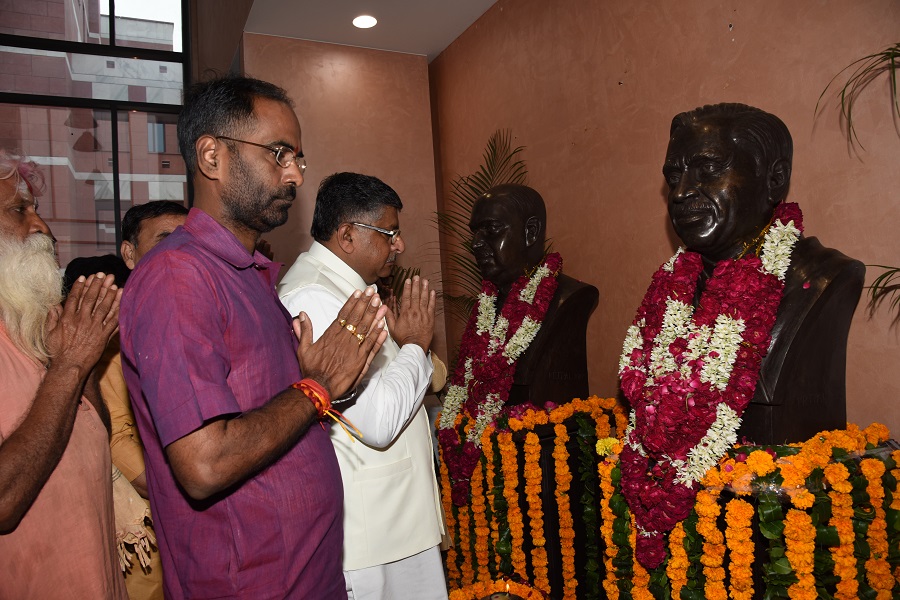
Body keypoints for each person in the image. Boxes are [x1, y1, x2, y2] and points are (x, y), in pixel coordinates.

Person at [119, 76, 388, 599]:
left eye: (299, 159)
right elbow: (204, 463)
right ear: (212, 156)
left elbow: (275, 412)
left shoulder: (250, 273)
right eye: (279, 153)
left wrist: (313, 379)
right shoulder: (178, 276)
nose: (294, 175)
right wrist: (315, 388)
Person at [278, 172, 447, 600]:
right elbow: (378, 422)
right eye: (389, 232)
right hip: (370, 535)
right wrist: (415, 346)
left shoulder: (348, 290)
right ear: (348, 235)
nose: (400, 245)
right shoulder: (313, 297)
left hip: (395, 525)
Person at [661, 102, 864, 443]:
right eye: (673, 177)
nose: (681, 193)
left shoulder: (822, 278)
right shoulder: (672, 289)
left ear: (774, 179)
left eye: (708, 169)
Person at [0, 150, 126, 598]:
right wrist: (71, 364)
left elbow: (96, 436)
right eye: (19, 210)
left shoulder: (32, 325)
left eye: (38, 211)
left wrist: (79, 358)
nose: (43, 228)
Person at [468, 183, 599, 406]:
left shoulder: (570, 298)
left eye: (491, 230)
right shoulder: (485, 308)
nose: (476, 244)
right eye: (475, 232)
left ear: (531, 232)